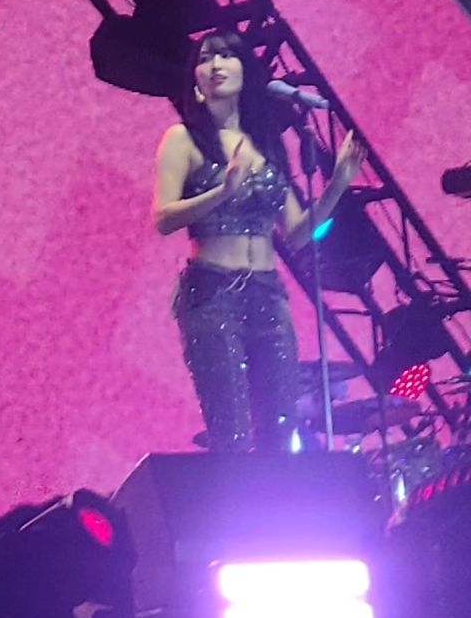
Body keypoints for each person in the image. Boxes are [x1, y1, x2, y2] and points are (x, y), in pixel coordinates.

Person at [153, 29, 365, 450]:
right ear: (195, 79)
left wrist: (338, 184)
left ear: (245, 71)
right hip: (213, 293)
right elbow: (163, 218)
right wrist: (222, 192)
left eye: (226, 55)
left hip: (268, 292)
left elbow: (297, 232)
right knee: (230, 430)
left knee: (280, 428)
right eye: (205, 58)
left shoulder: (266, 145)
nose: (216, 65)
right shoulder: (183, 139)